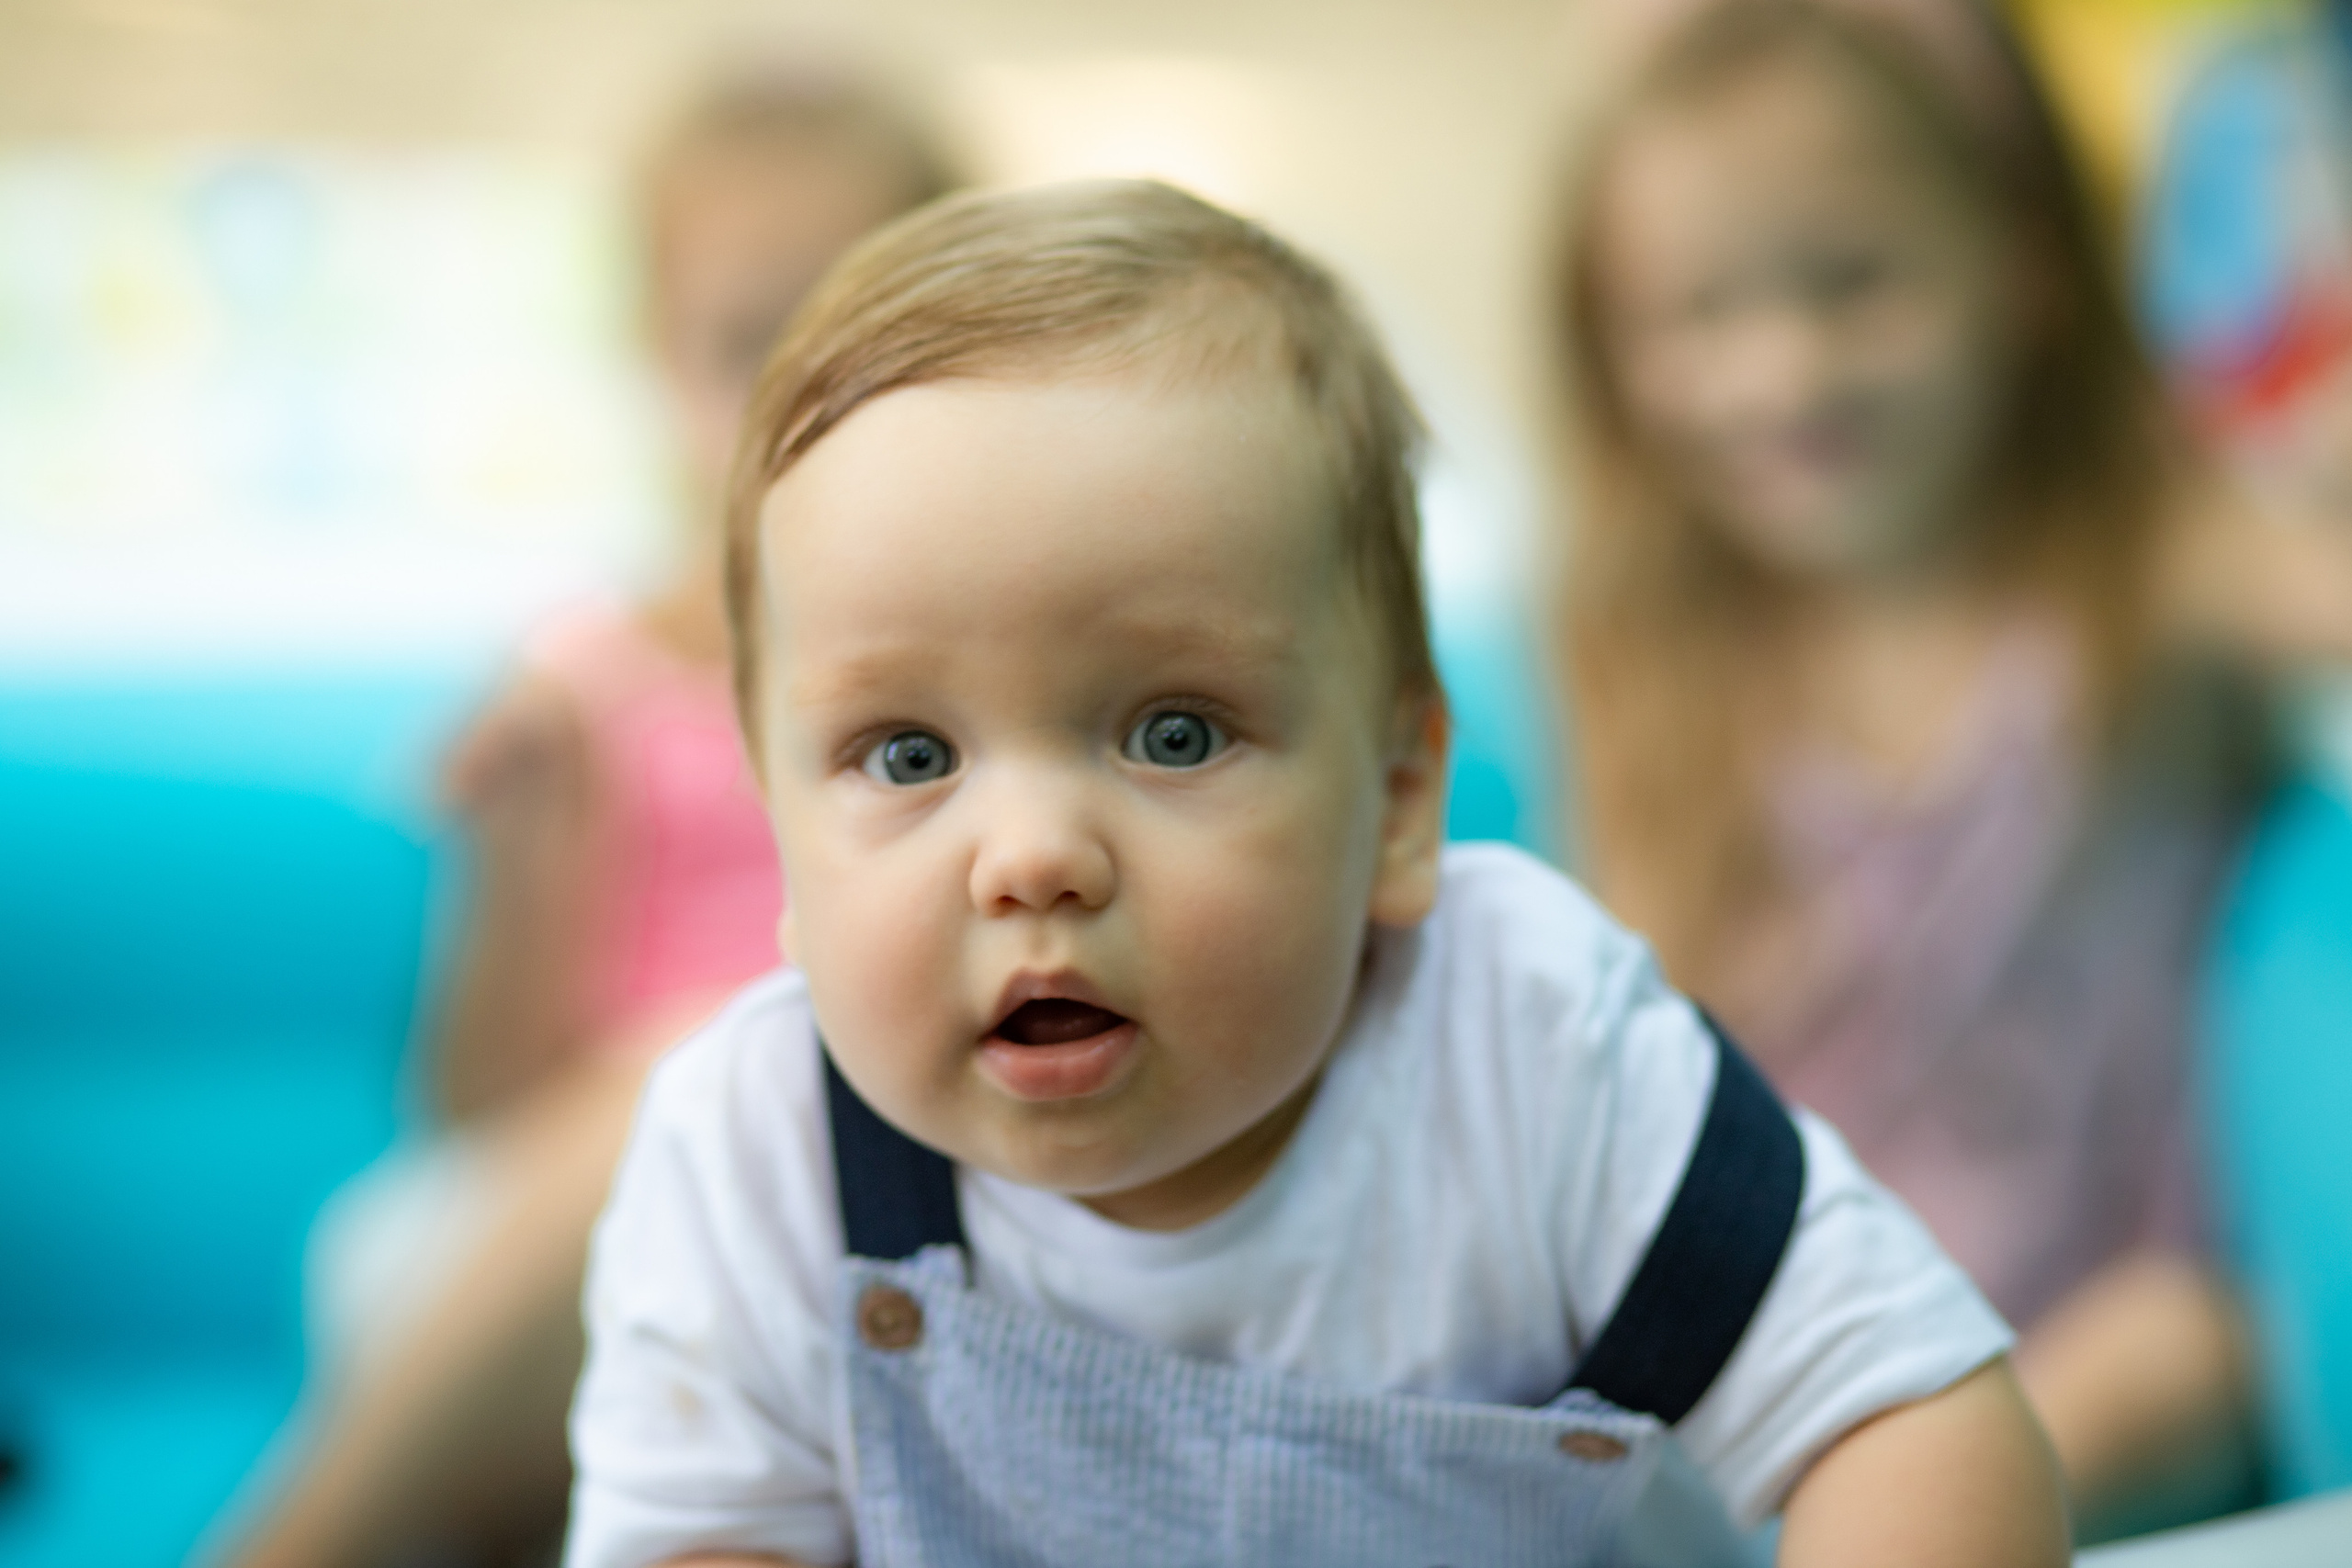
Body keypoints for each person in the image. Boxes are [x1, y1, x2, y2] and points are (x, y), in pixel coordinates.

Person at [563, 178, 2066, 1568]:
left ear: (1402, 798)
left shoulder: (1522, 1044)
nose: (1030, 858)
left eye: (1171, 731)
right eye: (906, 757)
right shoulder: (757, 1155)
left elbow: (1909, 1412)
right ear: (778, 835)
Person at [1547, 0, 2352, 1535]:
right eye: (1700, 318)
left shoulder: (2137, 576)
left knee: (2171, 1360)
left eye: (1856, 284)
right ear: (1615, 359)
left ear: (2024, 269)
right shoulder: (1648, 655)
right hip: (1788, 1322)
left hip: (2114, 1312)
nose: (1785, 372)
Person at [217, 69, 956, 1568]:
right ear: (654, 356)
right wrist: (531, 843)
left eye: (860, 335)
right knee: (703, 1082)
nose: (804, 393)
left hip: (872, 1179)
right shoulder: (590, 686)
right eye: (751, 341)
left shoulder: (979, 668)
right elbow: (477, 1102)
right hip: (568, 1203)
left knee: (750, 1079)